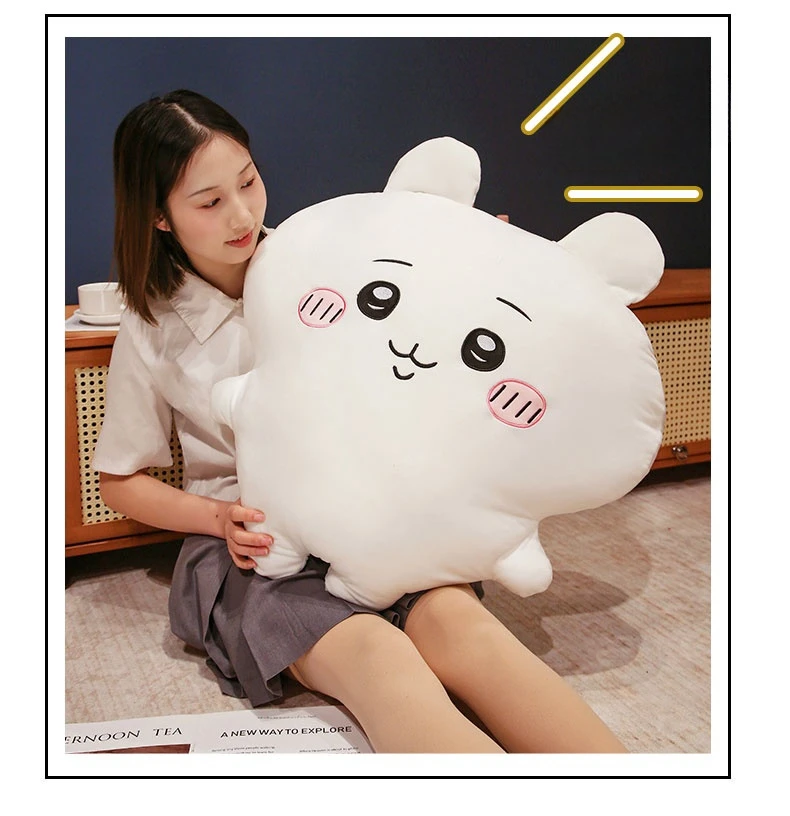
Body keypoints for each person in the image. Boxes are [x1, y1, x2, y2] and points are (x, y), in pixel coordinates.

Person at [94, 89, 626, 754]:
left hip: (382, 511)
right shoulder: (151, 326)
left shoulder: (330, 258)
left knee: (469, 632)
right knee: (380, 658)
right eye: (209, 202)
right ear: (159, 216)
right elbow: (119, 481)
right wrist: (219, 519)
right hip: (255, 546)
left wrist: (475, 265)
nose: (243, 214)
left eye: (249, 182)